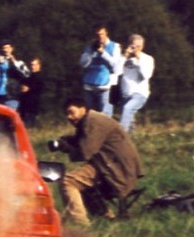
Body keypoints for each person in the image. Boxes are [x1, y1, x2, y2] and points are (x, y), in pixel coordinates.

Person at [53, 96, 143, 226]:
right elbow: (85, 142)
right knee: (81, 182)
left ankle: (80, 223)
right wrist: (69, 141)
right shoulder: (91, 121)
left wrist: (66, 147)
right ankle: (105, 218)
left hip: (117, 170)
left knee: (68, 181)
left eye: (71, 112)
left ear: (83, 109)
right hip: (112, 165)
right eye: (66, 114)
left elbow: (85, 152)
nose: (69, 117)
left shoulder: (93, 122)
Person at [79, 25, 122, 118]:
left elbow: (116, 66)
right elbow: (83, 64)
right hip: (89, 84)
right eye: (97, 35)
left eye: (101, 34)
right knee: (89, 113)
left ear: (106, 33)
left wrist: (103, 53)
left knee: (105, 113)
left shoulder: (114, 46)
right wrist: (90, 52)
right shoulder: (90, 47)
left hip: (104, 84)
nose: (100, 37)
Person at [118, 34, 154, 133]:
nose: (136, 49)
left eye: (139, 46)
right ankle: (133, 139)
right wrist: (124, 56)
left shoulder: (148, 59)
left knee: (127, 108)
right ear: (129, 45)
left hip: (140, 93)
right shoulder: (123, 58)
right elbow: (116, 71)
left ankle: (120, 135)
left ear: (142, 47)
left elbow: (146, 75)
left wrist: (138, 59)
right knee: (129, 118)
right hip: (126, 93)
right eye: (133, 46)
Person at [0, 39, 29, 110]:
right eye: (4, 48)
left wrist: (13, 61)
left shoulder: (19, 62)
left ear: (12, 49)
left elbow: (26, 74)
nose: (5, 50)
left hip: (11, 96)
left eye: (7, 48)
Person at [19, 57, 45, 128]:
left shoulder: (40, 77)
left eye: (34, 65)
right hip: (24, 106)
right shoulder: (29, 77)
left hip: (32, 106)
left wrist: (29, 88)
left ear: (39, 65)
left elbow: (38, 88)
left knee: (29, 125)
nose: (32, 67)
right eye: (31, 65)